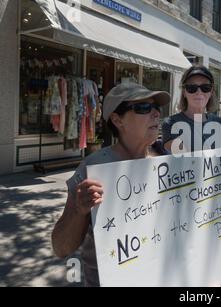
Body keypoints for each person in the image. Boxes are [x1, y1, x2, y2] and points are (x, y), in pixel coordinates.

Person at [51, 82, 170, 286]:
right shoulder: (94, 168)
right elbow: (61, 247)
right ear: (117, 119)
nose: (156, 114)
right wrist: (79, 211)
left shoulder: (166, 164)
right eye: (143, 108)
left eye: (156, 108)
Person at [162, 65, 221, 154]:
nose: (199, 92)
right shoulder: (171, 124)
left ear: (211, 92)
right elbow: (184, 160)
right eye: (192, 87)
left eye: (205, 87)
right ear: (184, 92)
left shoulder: (220, 123)